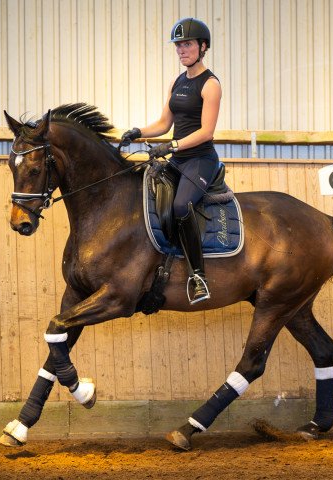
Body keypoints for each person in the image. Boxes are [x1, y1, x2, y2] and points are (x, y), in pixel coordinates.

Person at [121, 17, 222, 305]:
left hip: (200, 159)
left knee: (180, 205)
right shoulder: (176, 81)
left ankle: (198, 276)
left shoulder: (210, 84)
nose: (181, 50)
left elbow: (206, 131)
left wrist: (172, 145)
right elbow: (164, 123)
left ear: (203, 47)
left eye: (187, 44)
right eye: (178, 45)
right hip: (178, 158)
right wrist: (138, 132)